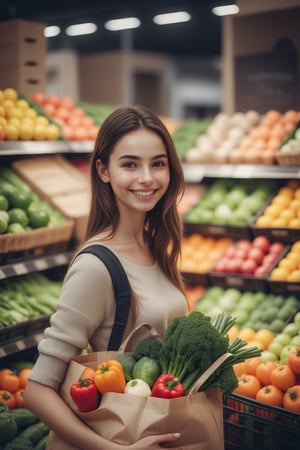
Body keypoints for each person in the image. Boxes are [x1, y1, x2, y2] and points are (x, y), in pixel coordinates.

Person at [24, 105, 188, 450]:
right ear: (103, 170)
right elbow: (37, 392)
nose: (147, 177)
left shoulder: (156, 246)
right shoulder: (96, 266)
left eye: (158, 163)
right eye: (130, 164)